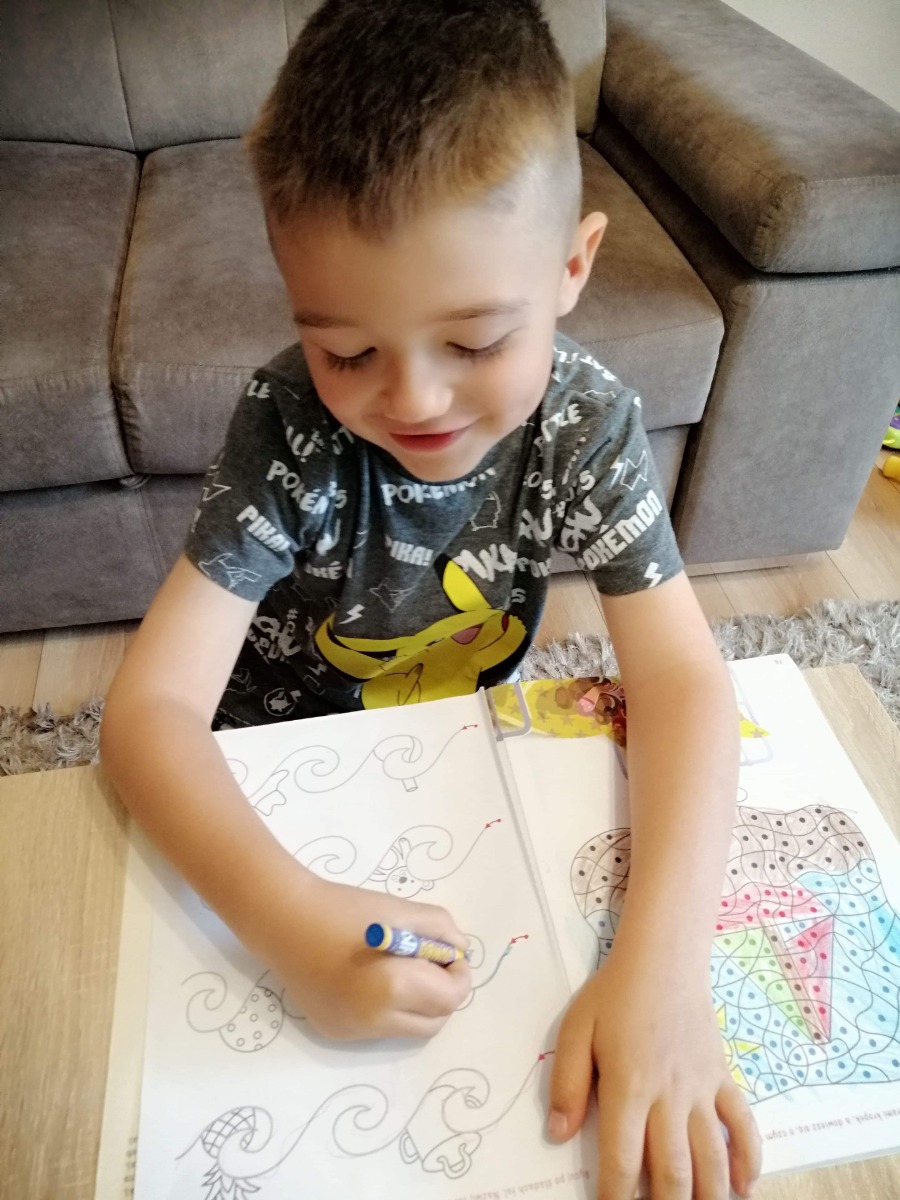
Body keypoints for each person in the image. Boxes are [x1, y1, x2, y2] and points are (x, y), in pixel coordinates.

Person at [100, 2, 762, 1196]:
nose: (411, 401)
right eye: (347, 351)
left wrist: (666, 967)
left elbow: (681, 679)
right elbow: (146, 716)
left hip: (467, 775)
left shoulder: (586, 422)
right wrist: (290, 924)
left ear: (572, 268)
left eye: (476, 342)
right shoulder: (288, 428)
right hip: (274, 787)